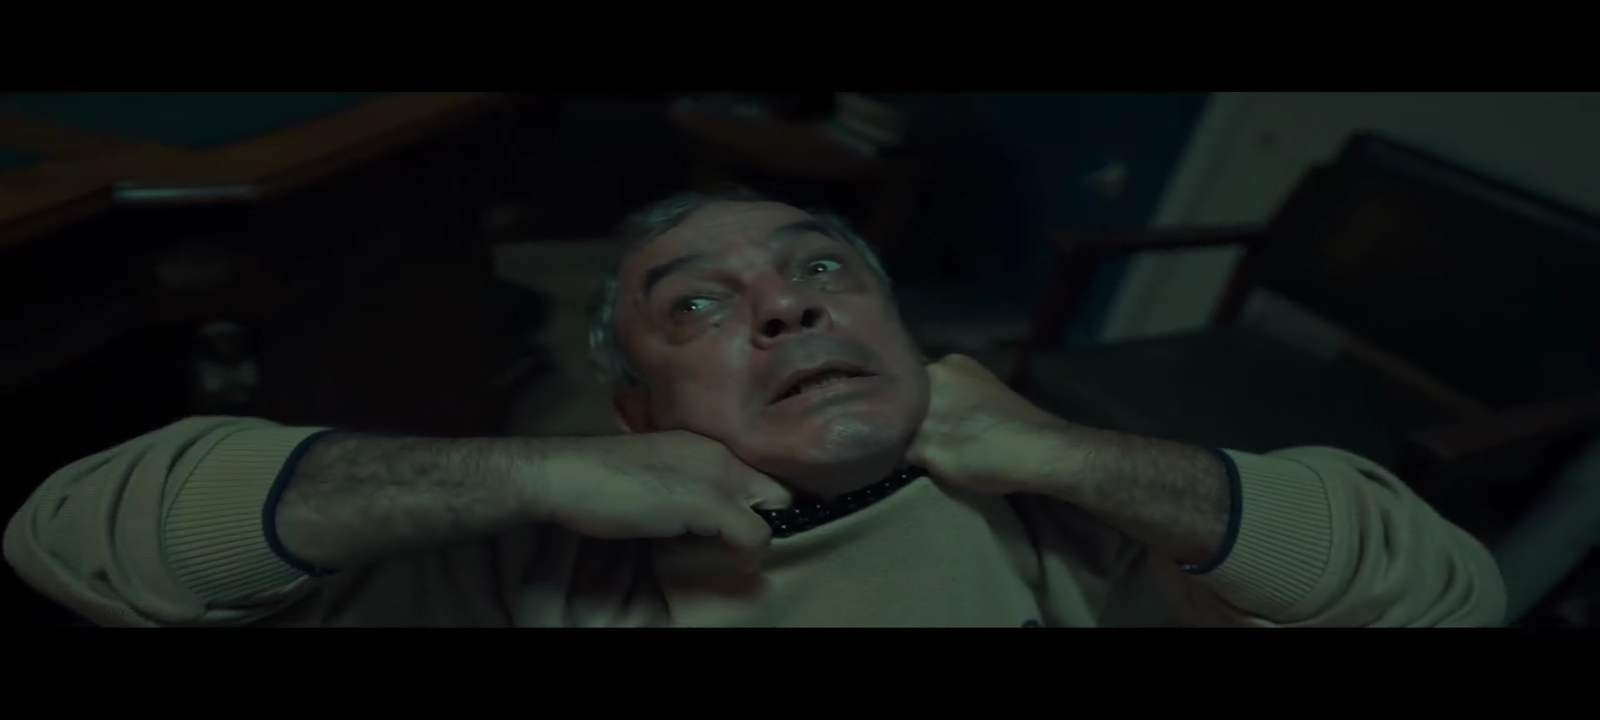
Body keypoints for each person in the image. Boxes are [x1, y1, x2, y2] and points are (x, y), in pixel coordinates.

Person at [3, 189, 1505, 627]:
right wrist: (517, 476)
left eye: (824, 271)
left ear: (909, 333)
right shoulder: (533, 563)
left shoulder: (1063, 525)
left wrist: (1065, 451)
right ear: (635, 404)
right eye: (699, 307)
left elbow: (1446, 595)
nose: (788, 307)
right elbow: (77, 540)